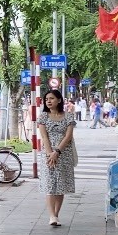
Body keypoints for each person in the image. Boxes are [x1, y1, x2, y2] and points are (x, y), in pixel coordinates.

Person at [36, 89, 77, 227]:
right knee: (50, 184)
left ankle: (56, 214)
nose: (49, 101)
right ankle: (51, 215)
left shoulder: (69, 116)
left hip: (64, 153)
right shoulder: (43, 117)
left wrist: (57, 152)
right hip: (48, 155)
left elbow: (68, 136)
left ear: (59, 100)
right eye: (47, 99)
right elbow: (44, 136)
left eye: (52, 98)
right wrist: (50, 153)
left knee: (61, 184)